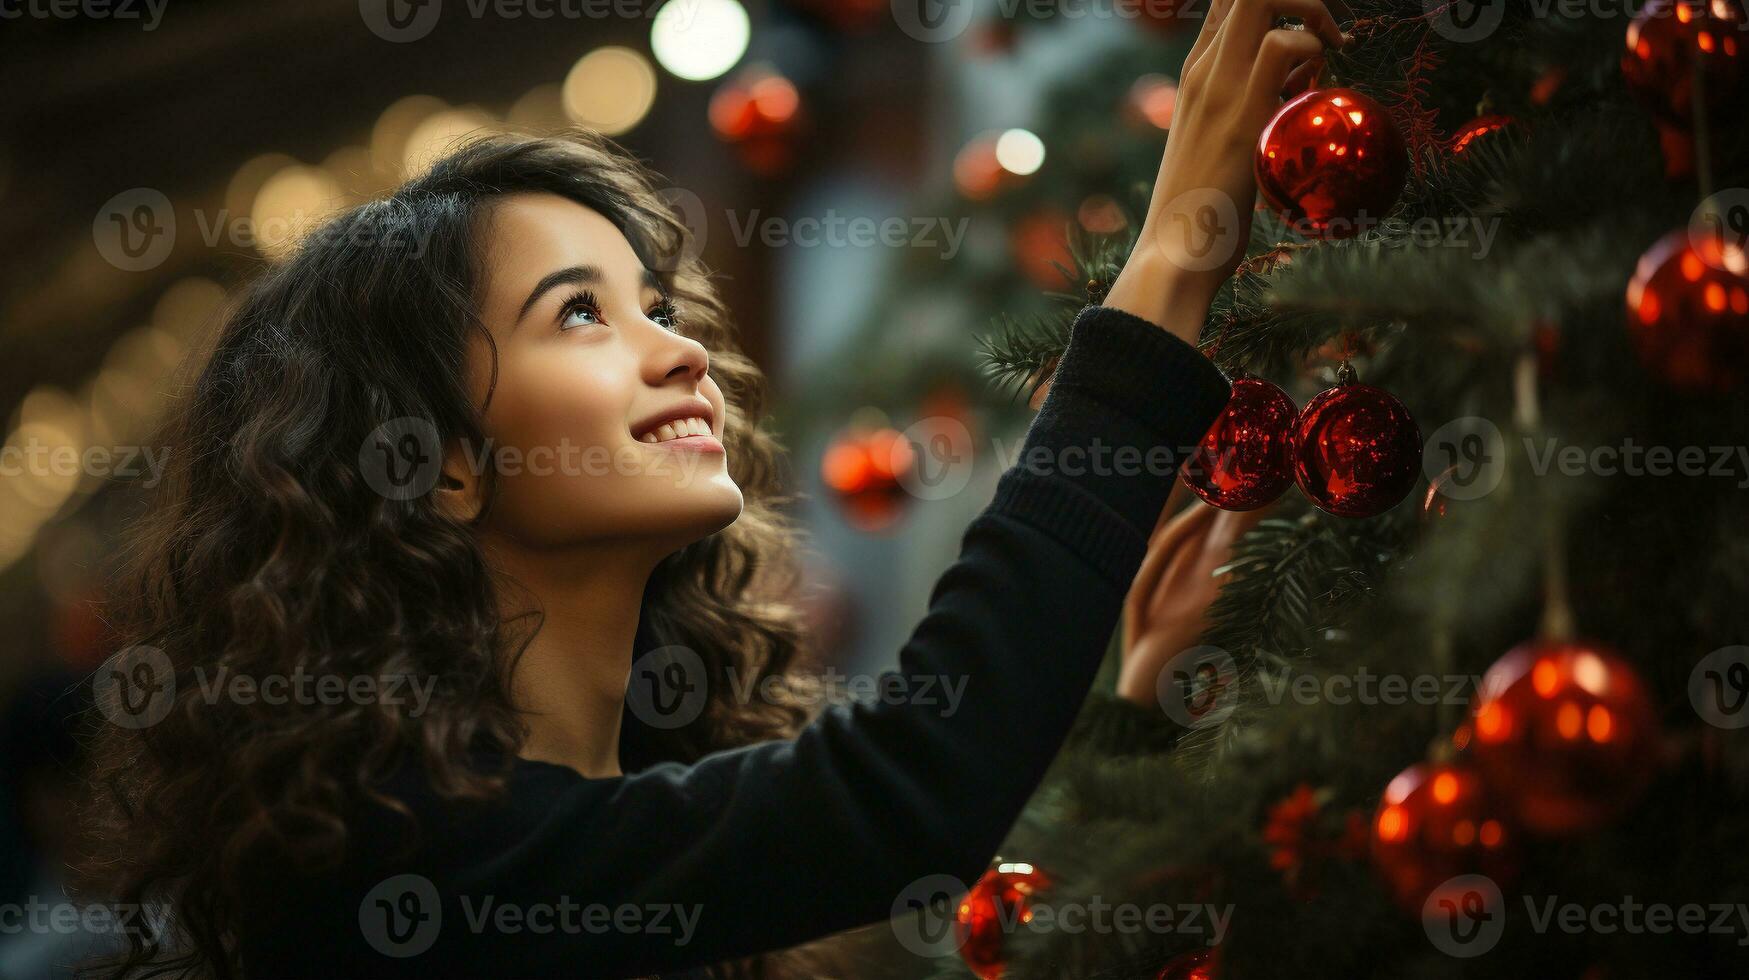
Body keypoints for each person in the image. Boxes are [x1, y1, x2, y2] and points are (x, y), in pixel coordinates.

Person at [74, 2, 1344, 977]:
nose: (679, 347)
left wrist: (1126, 714)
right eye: (578, 312)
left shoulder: (605, 832)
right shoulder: (394, 859)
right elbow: (913, 786)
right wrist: (1179, 243)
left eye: (655, 302)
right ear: (439, 460)